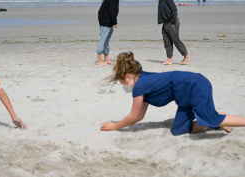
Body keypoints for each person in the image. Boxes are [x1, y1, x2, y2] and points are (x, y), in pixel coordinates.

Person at [100, 52, 245, 136]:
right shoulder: (142, 81)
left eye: (122, 82)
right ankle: (219, 119)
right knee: (178, 130)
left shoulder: (139, 85)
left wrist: (115, 126)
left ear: (128, 76)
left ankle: (217, 119)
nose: (124, 87)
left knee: (209, 118)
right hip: (185, 98)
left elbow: (133, 116)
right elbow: (139, 115)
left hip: (195, 85)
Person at [154, 0, 190, 65]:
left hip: (171, 22)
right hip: (165, 22)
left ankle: (186, 56)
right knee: (167, 42)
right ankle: (169, 59)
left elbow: (174, 9)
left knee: (175, 40)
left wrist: (173, 22)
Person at [96, 0, 126, 66]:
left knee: (107, 40)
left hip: (108, 19)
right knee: (103, 39)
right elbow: (111, 9)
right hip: (106, 19)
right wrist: (115, 22)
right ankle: (99, 60)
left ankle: (106, 58)